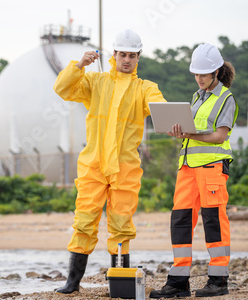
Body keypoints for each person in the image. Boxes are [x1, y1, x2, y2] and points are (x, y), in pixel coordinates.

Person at [52, 29, 166, 294]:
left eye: (132, 55)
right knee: (84, 219)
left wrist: (175, 119)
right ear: (114, 54)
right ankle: (72, 282)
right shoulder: (96, 82)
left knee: (122, 223)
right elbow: (63, 89)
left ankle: (120, 281)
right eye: (122, 54)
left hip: (125, 167)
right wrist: (79, 65)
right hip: (93, 164)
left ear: (139, 57)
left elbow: (160, 107)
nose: (127, 59)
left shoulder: (145, 88)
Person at [150, 43, 239, 298]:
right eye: (196, 74)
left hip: (211, 168)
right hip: (187, 168)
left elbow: (220, 136)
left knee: (213, 221)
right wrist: (178, 132)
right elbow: (193, 134)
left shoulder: (226, 99)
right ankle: (179, 282)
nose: (199, 78)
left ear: (216, 72)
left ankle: (218, 280)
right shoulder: (196, 97)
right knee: (180, 222)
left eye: (204, 74)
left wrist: (191, 133)